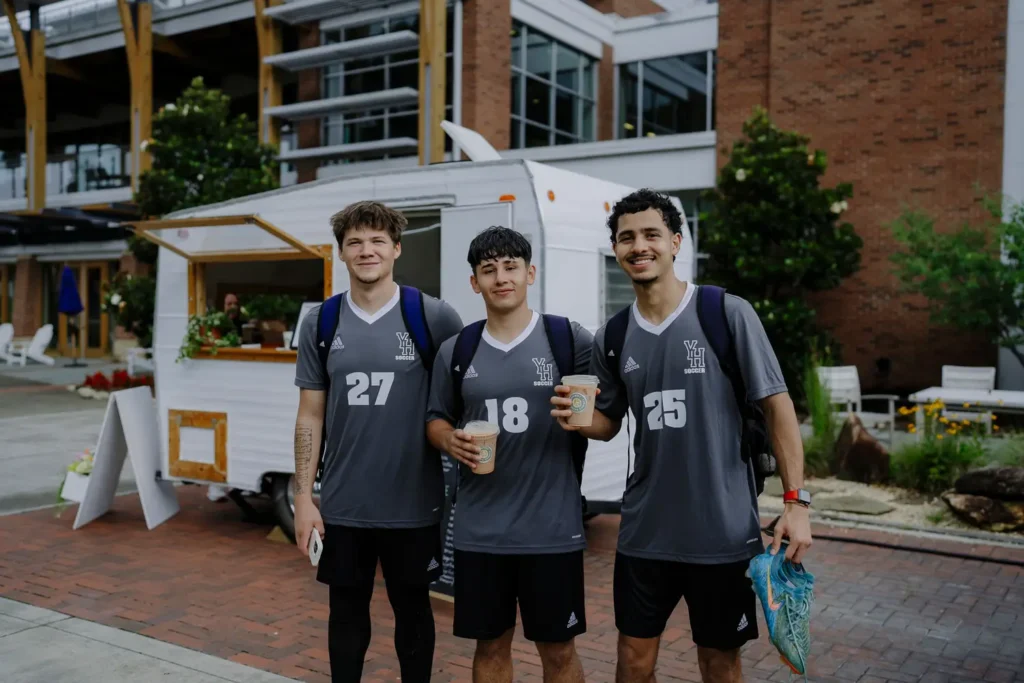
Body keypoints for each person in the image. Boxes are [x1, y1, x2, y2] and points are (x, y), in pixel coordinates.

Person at [550, 189, 813, 683]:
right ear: (616, 250)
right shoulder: (614, 335)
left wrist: (797, 504)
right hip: (644, 533)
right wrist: (580, 420)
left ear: (675, 243)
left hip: (723, 533)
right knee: (632, 662)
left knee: (719, 664)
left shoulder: (726, 312)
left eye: (651, 234)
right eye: (626, 237)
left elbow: (778, 409)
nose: (638, 245)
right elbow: (608, 424)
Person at [292, 200, 464, 683]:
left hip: (414, 505)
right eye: (355, 243)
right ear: (342, 254)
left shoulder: (432, 315)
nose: (366, 251)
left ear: (396, 249)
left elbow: (466, 395)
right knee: (345, 617)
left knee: (414, 616)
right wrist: (304, 497)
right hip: (344, 505)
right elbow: (310, 415)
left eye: (376, 241)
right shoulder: (321, 322)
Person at [426, 226, 592, 683]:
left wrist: (586, 421)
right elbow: (435, 419)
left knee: (558, 652)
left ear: (530, 273)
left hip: (552, 529)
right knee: (490, 647)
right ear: (474, 282)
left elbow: (608, 412)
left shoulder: (568, 339)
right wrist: (448, 440)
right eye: (488, 269)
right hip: (481, 530)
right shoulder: (456, 350)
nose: (501, 277)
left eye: (511, 267)